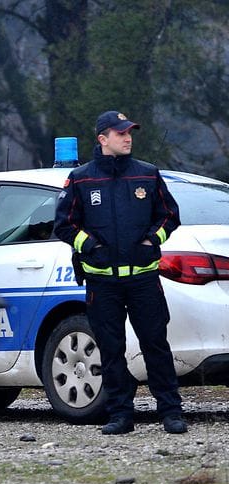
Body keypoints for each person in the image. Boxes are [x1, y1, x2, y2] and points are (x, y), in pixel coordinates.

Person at [54, 111, 187, 435]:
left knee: (155, 344)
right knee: (110, 349)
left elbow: (170, 216)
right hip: (103, 282)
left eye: (130, 132)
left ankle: (170, 412)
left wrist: (152, 240)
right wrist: (90, 247)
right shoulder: (81, 179)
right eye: (120, 133)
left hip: (143, 279)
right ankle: (120, 415)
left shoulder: (147, 174)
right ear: (103, 139)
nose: (127, 137)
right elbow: (64, 224)